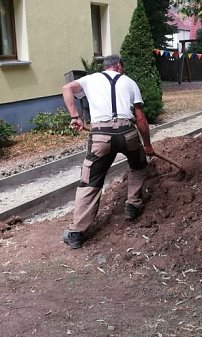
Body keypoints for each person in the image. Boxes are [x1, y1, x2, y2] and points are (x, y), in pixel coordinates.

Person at [60, 54, 155, 249]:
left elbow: (67, 88)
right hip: (128, 134)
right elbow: (140, 118)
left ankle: (77, 232)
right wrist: (147, 145)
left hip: (100, 137)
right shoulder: (130, 82)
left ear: (105, 67)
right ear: (119, 66)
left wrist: (75, 117)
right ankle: (132, 205)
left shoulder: (90, 79)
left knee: (90, 181)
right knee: (139, 165)